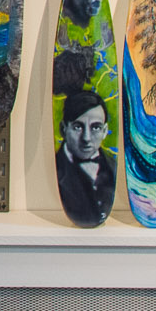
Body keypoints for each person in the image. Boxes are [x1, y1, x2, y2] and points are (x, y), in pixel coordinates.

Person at [56, 91, 116, 228]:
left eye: (96, 127)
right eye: (78, 127)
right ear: (63, 129)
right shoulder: (59, 168)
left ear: (105, 131)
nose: (86, 138)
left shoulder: (112, 166)